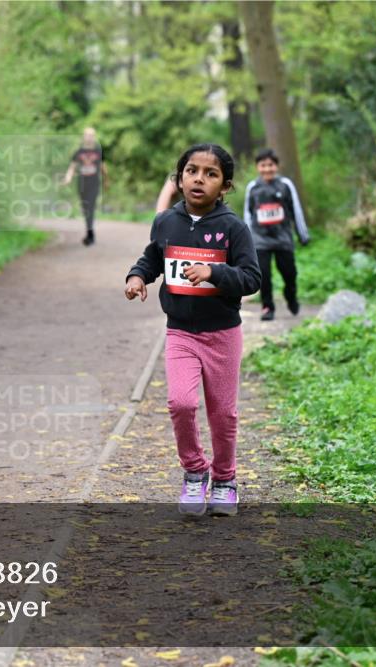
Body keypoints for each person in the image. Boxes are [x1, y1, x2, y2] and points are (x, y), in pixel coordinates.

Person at [124, 144, 260, 516]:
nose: (199, 178)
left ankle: (226, 480)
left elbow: (251, 279)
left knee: (223, 413)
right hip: (180, 331)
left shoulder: (234, 229)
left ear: (225, 186)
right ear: (180, 178)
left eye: (210, 173)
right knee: (181, 403)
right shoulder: (166, 221)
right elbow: (154, 256)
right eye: (192, 171)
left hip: (222, 334)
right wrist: (138, 276)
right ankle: (195, 473)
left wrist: (215, 273)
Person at [242, 148, 309, 321]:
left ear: (276, 166)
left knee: (289, 273)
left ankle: (291, 296)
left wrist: (302, 234)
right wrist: (246, 239)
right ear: (257, 167)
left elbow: (296, 210)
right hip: (260, 240)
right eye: (263, 165)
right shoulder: (253, 187)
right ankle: (267, 307)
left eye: (270, 165)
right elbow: (248, 214)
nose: (267, 169)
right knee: (263, 275)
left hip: (283, 239)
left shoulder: (286, 185)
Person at [63, 127, 108, 246]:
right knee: (85, 208)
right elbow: (72, 167)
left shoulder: (99, 151)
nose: (89, 137)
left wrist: (106, 180)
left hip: (94, 183)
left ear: (94, 137)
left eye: (91, 135)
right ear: (84, 137)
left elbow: (103, 167)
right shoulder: (79, 152)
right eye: (87, 135)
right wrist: (68, 178)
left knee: (91, 207)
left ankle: (90, 233)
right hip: (82, 183)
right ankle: (89, 230)